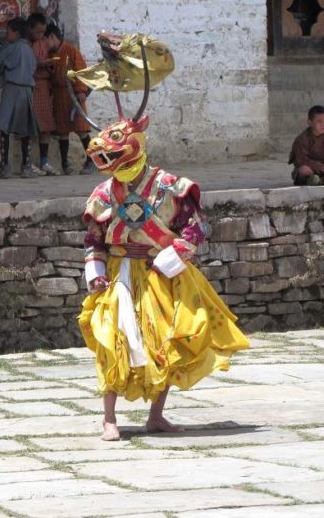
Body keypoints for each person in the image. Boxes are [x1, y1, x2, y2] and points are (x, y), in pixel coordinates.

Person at [75, 35, 249, 441]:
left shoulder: (170, 186)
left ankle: (156, 414)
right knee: (112, 341)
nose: (105, 149)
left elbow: (196, 228)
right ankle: (109, 419)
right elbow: (94, 238)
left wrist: (171, 258)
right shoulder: (102, 195)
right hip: (119, 272)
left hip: (161, 272)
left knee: (166, 342)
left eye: (116, 142)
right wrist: (94, 272)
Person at [0, 17, 41, 179]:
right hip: (26, 90)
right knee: (25, 129)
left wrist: (1, 75)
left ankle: (5, 167)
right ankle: (26, 166)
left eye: (9, 31)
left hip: (11, 88)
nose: (7, 34)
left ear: (16, 33)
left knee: (4, 127)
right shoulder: (29, 50)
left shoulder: (11, 48)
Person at [47, 20, 95, 175]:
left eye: (46, 41)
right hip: (59, 95)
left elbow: (81, 72)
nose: (46, 45)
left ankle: (92, 161)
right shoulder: (53, 54)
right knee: (62, 130)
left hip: (74, 96)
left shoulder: (72, 51)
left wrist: (81, 91)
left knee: (81, 129)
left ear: (52, 37)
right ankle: (65, 164)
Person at [27, 13, 60, 175]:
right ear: (30, 28)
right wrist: (38, 63)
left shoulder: (43, 44)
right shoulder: (25, 44)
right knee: (31, 126)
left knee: (45, 126)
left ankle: (44, 161)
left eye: (43, 32)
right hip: (30, 87)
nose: (41, 36)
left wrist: (49, 63)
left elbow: (49, 60)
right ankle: (28, 162)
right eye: (38, 32)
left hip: (44, 86)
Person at [289, 105, 324, 186]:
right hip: (310, 169)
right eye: (319, 121)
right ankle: (312, 180)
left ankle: (319, 181)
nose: (323, 125)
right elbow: (302, 160)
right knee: (304, 170)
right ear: (310, 122)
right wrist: (321, 167)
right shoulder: (302, 139)